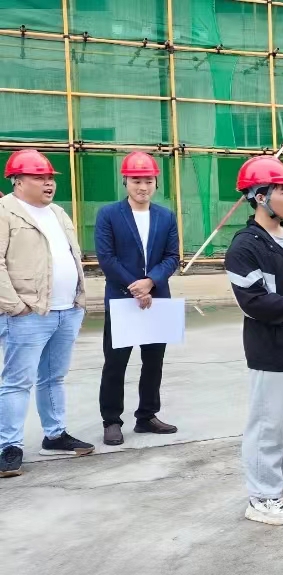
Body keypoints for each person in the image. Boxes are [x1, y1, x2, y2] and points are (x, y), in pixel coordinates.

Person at [224, 155, 283, 524]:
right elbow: (255, 302)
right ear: (260, 197)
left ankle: (281, 475)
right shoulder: (245, 247)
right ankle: (262, 496)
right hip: (270, 349)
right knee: (266, 424)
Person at [0, 149, 94, 479]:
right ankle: (8, 446)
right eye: (39, 177)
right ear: (17, 180)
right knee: (17, 382)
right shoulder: (5, 212)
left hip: (66, 310)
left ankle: (55, 435)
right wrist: (15, 306)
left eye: (50, 177)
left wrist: (78, 299)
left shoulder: (57, 212)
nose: (48, 183)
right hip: (28, 315)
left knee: (53, 377)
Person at [94, 151, 181, 446]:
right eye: (136, 181)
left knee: (153, 362)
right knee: (115, 363)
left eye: (148, 181)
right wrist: (136, 287)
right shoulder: (109, 214)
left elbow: (172, 257)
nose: (142, 187)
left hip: (157, 299)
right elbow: (106, 257)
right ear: (125, 182)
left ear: (156, 182)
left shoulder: (166, 216)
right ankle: (111, 420)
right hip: (122, 299)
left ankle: (147, 416)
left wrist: (151, 282)